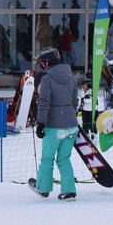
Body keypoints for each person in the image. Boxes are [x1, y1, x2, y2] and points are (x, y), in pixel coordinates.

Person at [28, 48, 78, 201]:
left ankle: (43, 188)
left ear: (46, 63)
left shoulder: (47, 79)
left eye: (41, 63)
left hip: (54, 126)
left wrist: (40, 123)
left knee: (47, 158)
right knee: (64, 159)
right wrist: (69, 116)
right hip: (71, 126)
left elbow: (44, 102)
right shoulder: (71, 78)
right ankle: (69, 191)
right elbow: (75, 102)